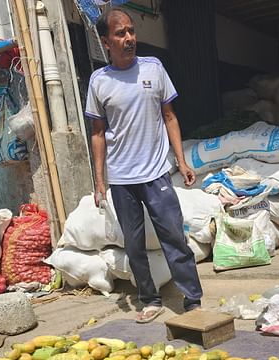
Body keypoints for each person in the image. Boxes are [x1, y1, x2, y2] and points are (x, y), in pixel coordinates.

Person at [85, 8, 202, 323]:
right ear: (106, 41)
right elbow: (97, 134)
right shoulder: (99, 81)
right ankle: (149, 299)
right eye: (120, 34)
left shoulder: (154, 68)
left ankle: (192, 299)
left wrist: (181, 160)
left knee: (174, 236)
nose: (129, 38)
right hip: (122, 178)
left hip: (156, 173)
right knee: (134, 245)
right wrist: (99, 180)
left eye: (131, 31)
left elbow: (170, 116)